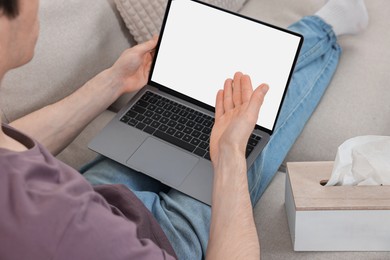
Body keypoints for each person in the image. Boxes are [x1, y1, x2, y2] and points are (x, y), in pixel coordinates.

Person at [0, 0, 368, 259]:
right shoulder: (78, 238)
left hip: (97, 196)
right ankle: (326, 28)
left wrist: (112, 83)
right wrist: (229, 157)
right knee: (254, 111)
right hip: (163, 238)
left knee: (220, 99)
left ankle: (319, 28)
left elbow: (10, 150)